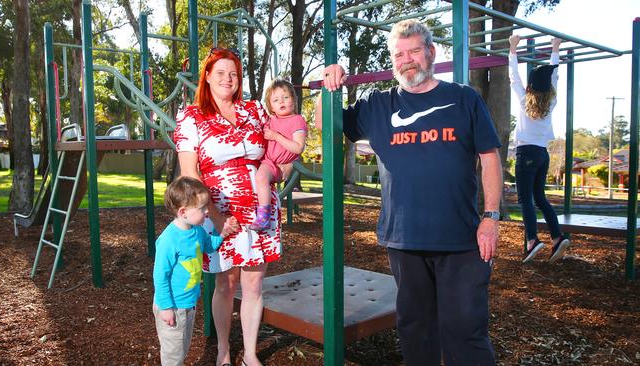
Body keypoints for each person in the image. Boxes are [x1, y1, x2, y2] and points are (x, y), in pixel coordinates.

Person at [315, 19, 503, 365]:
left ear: (430, 53)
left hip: (461, 240)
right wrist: (327, 88)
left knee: (465, 333)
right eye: (398, 54)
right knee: (416, 333)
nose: (406, 60)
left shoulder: (463, 98)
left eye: (414, 50)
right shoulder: (377, 106)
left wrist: (491, 217)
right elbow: (325, 124)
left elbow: (490, 158)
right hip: (405, 241)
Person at [174, 48, 281, 366]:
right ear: (207, 76)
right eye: (220, 73)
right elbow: (190, 175)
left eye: (233, 73)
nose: (227, 79)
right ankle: (223, 350)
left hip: (260, 211)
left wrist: (276, 174)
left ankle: (250, 354)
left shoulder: (255, 111)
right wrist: (216, 218)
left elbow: (276, 155)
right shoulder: (192, 117)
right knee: (226, 282)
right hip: (218, 210)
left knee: (253, 282)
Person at [152, 176, 236, 366]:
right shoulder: (169, 240)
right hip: (172, 306)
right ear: (183, 212)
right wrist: (165, 308)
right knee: (173, 354)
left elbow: (208, 246)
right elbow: (160, 276)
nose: (207, 212)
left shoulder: (196, 230)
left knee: (182, 347)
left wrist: (221, 233)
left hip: (188, 304)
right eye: (202, 208)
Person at [509, 35, 570, 263]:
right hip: (542, 154)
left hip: (526, 154)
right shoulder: (551, 103)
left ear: (531, 86)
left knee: (525, 200)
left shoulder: (525, 100)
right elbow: (554, 77)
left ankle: (532, 240)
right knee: (540, 197)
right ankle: (556, 237)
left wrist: (513, 49)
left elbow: (513, 76)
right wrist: (555, 48)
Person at [249, 78, 308, 231]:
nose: (281, 101)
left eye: (285, 97)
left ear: (293, 101)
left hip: (283, 165)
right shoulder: (270, 120)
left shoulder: (297, 120)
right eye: (275, 100)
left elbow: (298, 148)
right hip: (268, 162)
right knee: (260, 178)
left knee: (261, 178)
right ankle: (263, 216)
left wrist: (276, 137)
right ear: (271, 106)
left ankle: (264, 216)